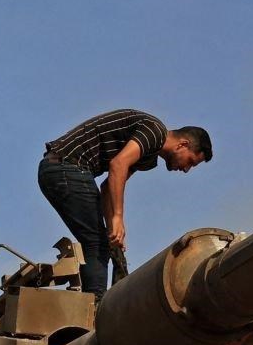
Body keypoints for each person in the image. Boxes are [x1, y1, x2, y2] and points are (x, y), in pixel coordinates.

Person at [36, 109, 212, 296]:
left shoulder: (148, 158)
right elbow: (118, 165)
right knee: (97, 243)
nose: (186, 170)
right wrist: (118, 217)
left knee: (102, 242)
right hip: (66, 167)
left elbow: (107, 188)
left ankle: (93, 302)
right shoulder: (155, 131)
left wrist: (113, 228)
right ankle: (95, 306)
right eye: (191, 162)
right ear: (182, 145)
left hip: (59, 170)